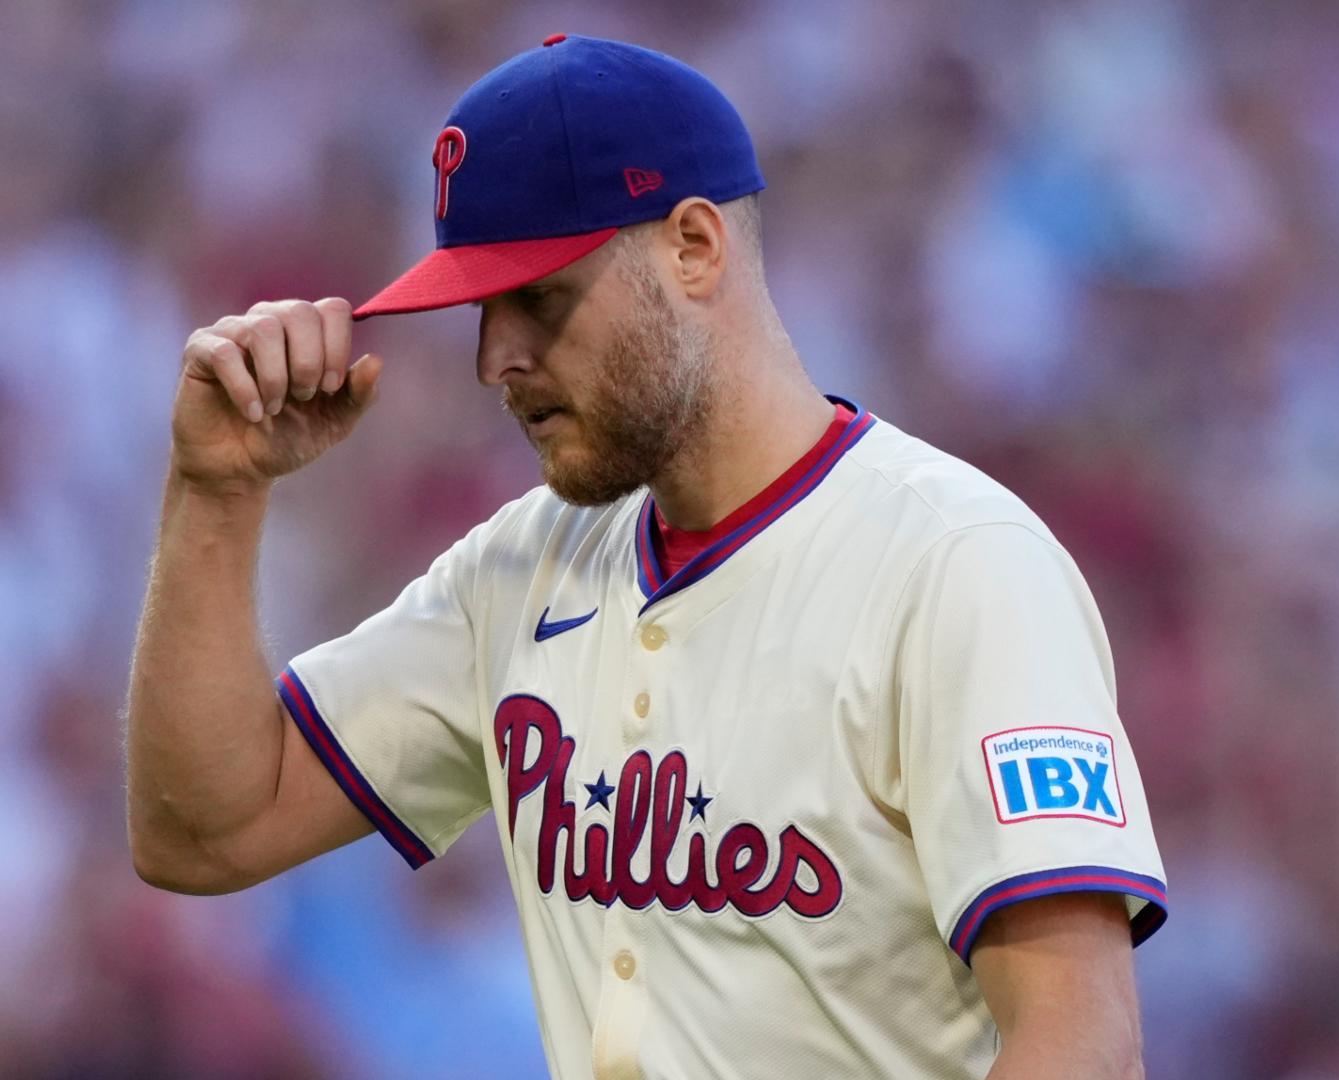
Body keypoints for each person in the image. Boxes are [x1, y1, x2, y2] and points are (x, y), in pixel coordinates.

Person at [126, 34, 1166, 1080]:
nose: (496, 359)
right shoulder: (521, 569)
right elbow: (205, 830)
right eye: (483, 309)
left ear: (696, 247)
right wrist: (217, 493)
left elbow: (1077, 1035)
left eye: (538, 296)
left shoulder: (956, 565)